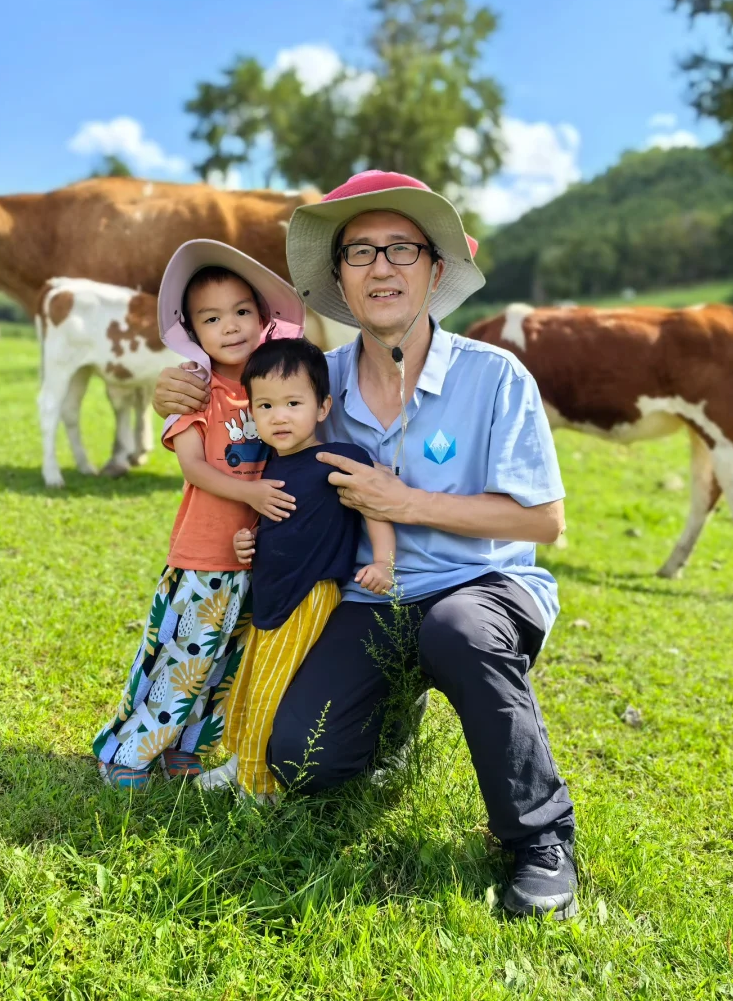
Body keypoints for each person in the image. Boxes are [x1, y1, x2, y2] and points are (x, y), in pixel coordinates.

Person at [152, 171, 578, 919]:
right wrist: (177, 395)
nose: (381, 267)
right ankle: (389, 724)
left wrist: (405, 501)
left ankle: (540, 840)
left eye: (402, 249)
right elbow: (235, 409)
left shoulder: (495, 376)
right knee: (303, 762)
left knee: (458, 633)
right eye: (359, 253)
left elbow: (544, 522)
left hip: (479, 589)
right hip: (365, 595)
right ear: (340, 282)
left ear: (435, 270)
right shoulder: (318, 381)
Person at [90, 239, 304, 789]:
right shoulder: (197, 390)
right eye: (212, 318)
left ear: (262, 318)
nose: (230, 327)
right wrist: (252, 496)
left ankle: (185, 749)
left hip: (256, 557)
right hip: (205, 556)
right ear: (193, 329)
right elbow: (194, 469)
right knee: (182, 662)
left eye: (241, 312)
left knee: (226, 667)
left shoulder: (274, 387)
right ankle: (127, 752)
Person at [196, 337, 396, 800]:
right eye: (265, 405)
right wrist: (250, 542)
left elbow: (375, 508)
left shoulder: (336, 460)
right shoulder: (270, 468)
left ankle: (261, 788)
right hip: (269, 593)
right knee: (247, 684)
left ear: (323, 407)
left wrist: (383, 561)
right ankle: (240, 761)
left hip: (309, 596)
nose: (278, 416)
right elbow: (279, 527)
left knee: (273, 689)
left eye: (293, 403)